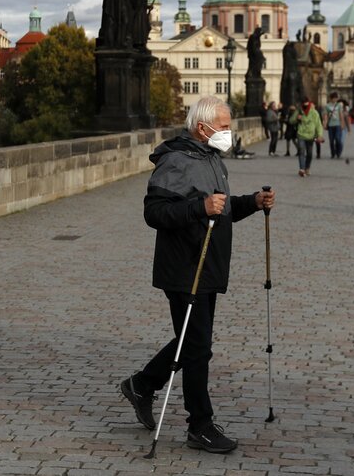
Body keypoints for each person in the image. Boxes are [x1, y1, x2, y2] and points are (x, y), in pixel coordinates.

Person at [120, 96, 275, 454]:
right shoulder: (176, 161)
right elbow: (154, 212)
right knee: (197, 347)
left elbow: (220, 210)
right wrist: (198, 207)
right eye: (223, 127)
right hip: (184, 266)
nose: (228, 133)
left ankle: (142, 384)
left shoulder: (211, 158)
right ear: (202, 127)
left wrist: (252, 202)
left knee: (192, 340)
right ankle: (199, 424)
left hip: (208, 265)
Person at [295, 97, 323, 177]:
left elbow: (318, 125)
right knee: (301, 151)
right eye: (303, 105)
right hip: (301, 134)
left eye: (306, 105)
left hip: (311, 136)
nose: (305, 107)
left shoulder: (314, 113)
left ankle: (307, 168)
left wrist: (320, 135)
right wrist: (297, 118)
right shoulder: (299, 111)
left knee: (309, 153)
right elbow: (291, 120)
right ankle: (302, 169)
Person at [324, 92, 347, 159]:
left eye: (336, 98)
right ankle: (333, 153)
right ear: (331, 98)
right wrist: (325, 124)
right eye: (334, 98)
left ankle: (338, 152)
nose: (335, 99)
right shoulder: (327, 106)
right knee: (331, 140)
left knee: (338, 139)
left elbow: (341, 115)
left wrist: (342, 124)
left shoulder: (339, 105)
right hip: (331, 125)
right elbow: (326, 116)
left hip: (338, 125)